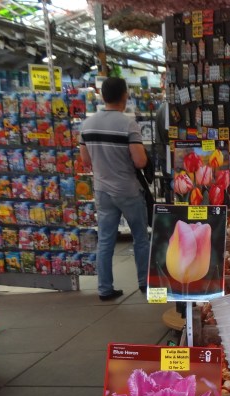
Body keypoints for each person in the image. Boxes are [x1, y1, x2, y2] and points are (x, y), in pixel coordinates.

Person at [79, 77, 150, 301]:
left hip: (102, 190)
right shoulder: (128, 124)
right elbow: (140, 161)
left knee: (105, 241)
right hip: (128, 190)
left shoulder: (87, 124)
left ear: (102, 96)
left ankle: (104, 288)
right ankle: (145, 282)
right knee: (140, 238)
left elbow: (85, 160)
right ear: (124, 96)